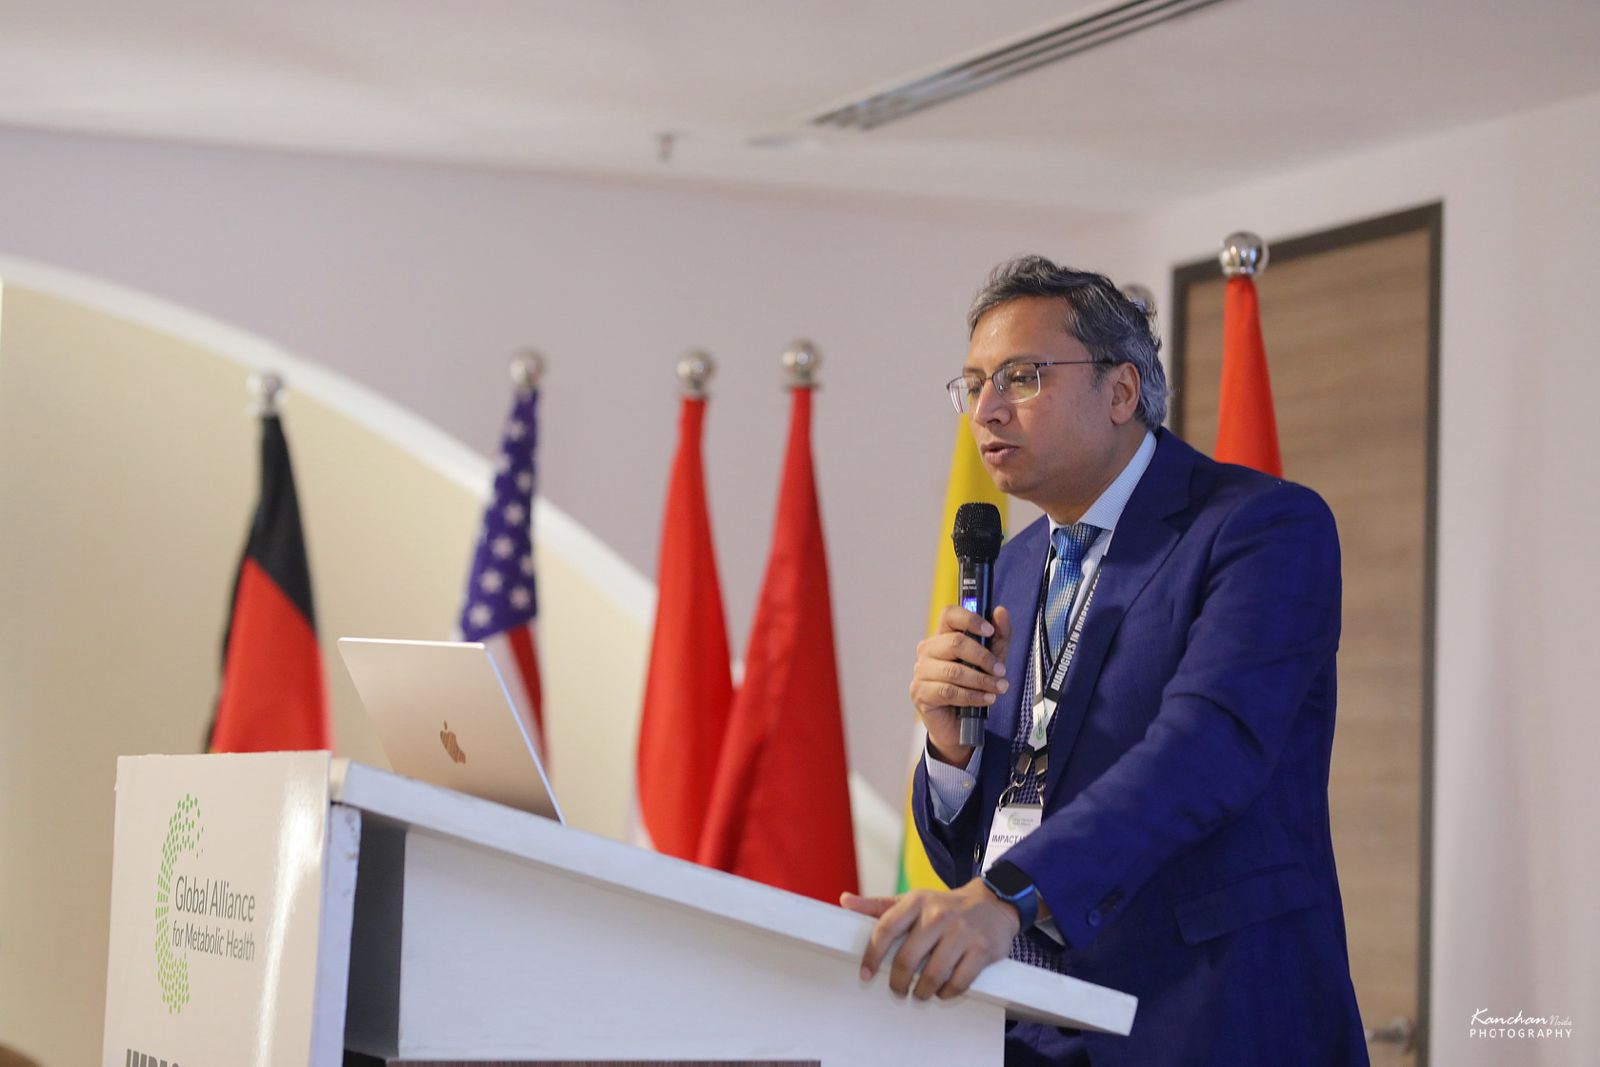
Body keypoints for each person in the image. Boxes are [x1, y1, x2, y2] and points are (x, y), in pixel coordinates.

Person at [842, 257, 1368, 1066]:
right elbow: (984, 844)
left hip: (1206, 1018)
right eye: (973, 384)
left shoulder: (1261, 530)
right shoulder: (1013, 564)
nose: (986, 409)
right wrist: (952, 753)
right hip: (1023, 1023)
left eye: (1021, 377)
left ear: (1121, 392)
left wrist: (1008, 896)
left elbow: (1203, 752)